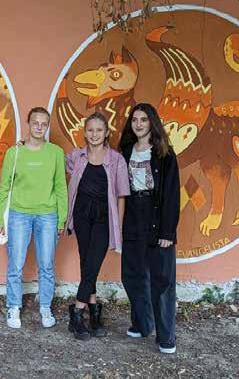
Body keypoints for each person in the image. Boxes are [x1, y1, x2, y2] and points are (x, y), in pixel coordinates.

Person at [0, 107, 67, 329]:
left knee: (46, 265)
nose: (39, 127)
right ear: (28, 124)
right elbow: (4, 188)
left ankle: (45, 306)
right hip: (19, 214)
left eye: (44, 124)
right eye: (35, 122)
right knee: (15, 265)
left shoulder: (56, 153)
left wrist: (62, 218)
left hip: (48, 215)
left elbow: (61, 187)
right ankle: (13, 306)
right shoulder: (14, 153)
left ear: (47, 126)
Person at [119, 103, 179, 354]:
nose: (139, 124)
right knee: (132, 274)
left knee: (162, 279)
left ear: (152, 122)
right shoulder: (125, 151)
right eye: (135, 119)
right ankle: (142, 324)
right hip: (133, 215)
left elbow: (172, 195)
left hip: (156, 216)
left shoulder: (165, 154)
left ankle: (166, 337)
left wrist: (168, 232)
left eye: (143, 119)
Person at [65, 112, 130, 340]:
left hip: (104, 216)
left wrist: (117, 225)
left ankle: (77, 312)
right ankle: (93, 311)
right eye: (90, 130)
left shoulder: (116, 160)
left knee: (93, 261)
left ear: (106, 133)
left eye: (99, 130)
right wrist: (24, 145)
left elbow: (122, 195)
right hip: (82, 214)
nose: (94, 134)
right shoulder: (77, 156)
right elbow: (53, 160)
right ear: (84, 132)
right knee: (87, 261)